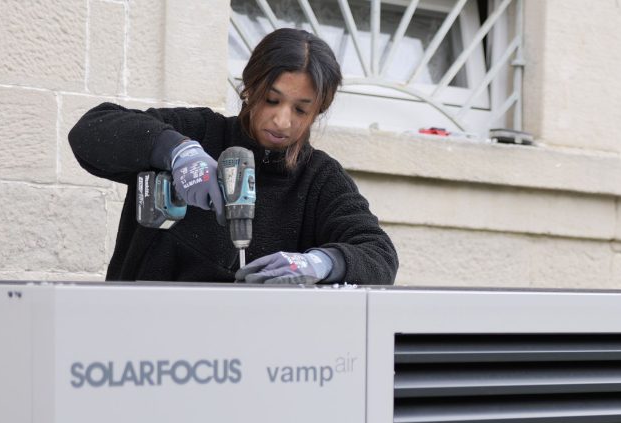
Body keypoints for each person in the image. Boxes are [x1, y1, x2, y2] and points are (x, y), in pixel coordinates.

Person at [68, 28, 398, 285]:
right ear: (250, 88)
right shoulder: (198, 130)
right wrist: (178, 152)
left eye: (301, 109)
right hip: (138, 338)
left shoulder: (319, 180)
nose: (282, 121)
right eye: (272, 100)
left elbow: (379, 255)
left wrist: (321, 263)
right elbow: (90, 131)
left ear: (318, 112)